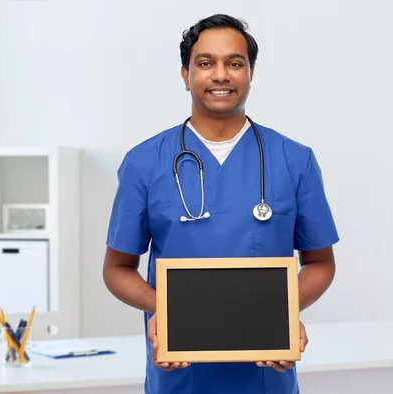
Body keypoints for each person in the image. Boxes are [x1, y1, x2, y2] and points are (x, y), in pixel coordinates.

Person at [102, 13, 339, 394]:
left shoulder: (295, 160)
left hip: (266, 376)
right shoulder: (144, 162)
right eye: (205, 63)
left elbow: (320, 262)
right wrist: (166, 309)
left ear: (250, 73)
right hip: (180, 373)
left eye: (234, 63)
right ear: (185, 75)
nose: (221, 75)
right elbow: (116, 268)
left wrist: (283, 311)